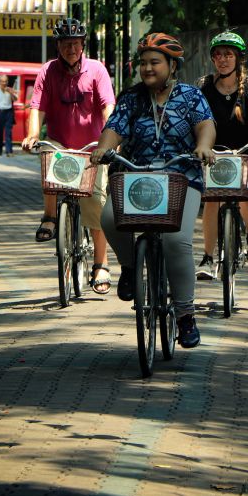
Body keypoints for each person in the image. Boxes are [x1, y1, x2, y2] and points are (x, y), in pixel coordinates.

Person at [90, 33, 216, 348]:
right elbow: (113, 129)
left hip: (181, 177)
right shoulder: (131, 98)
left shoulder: (190, 96)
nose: (148, 68)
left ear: (172, 66)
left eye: (155, 62)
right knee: (109, 218)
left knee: (176, 240)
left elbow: (206, 126)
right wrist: (103, 149)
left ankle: (186, 315)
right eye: (143, 62)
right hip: (135, 177)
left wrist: (203, 147)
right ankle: (131, 268)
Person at [22, 17, 116, 295]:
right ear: (58, 46)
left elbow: (107, 108)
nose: (70, 49)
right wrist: (32, 135)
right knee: (47, 155)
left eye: (75, 43)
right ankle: (50, 217)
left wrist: (110, 142)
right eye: (65, 44)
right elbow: (36, 107)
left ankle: (101, 263)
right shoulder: (47, 72)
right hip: (60, 144)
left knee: (96, 203)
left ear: (83, 44)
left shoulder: (97, 70)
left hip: (93, 148)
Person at [195, 31, 248, 280]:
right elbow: (195, 117)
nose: (223, 59)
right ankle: (208, 257)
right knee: (211, 200)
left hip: (245, 152)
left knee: (247, 191)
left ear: (238, 58)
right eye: (218, 55)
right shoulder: (204, 86)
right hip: (213, 155)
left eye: (228, 55)